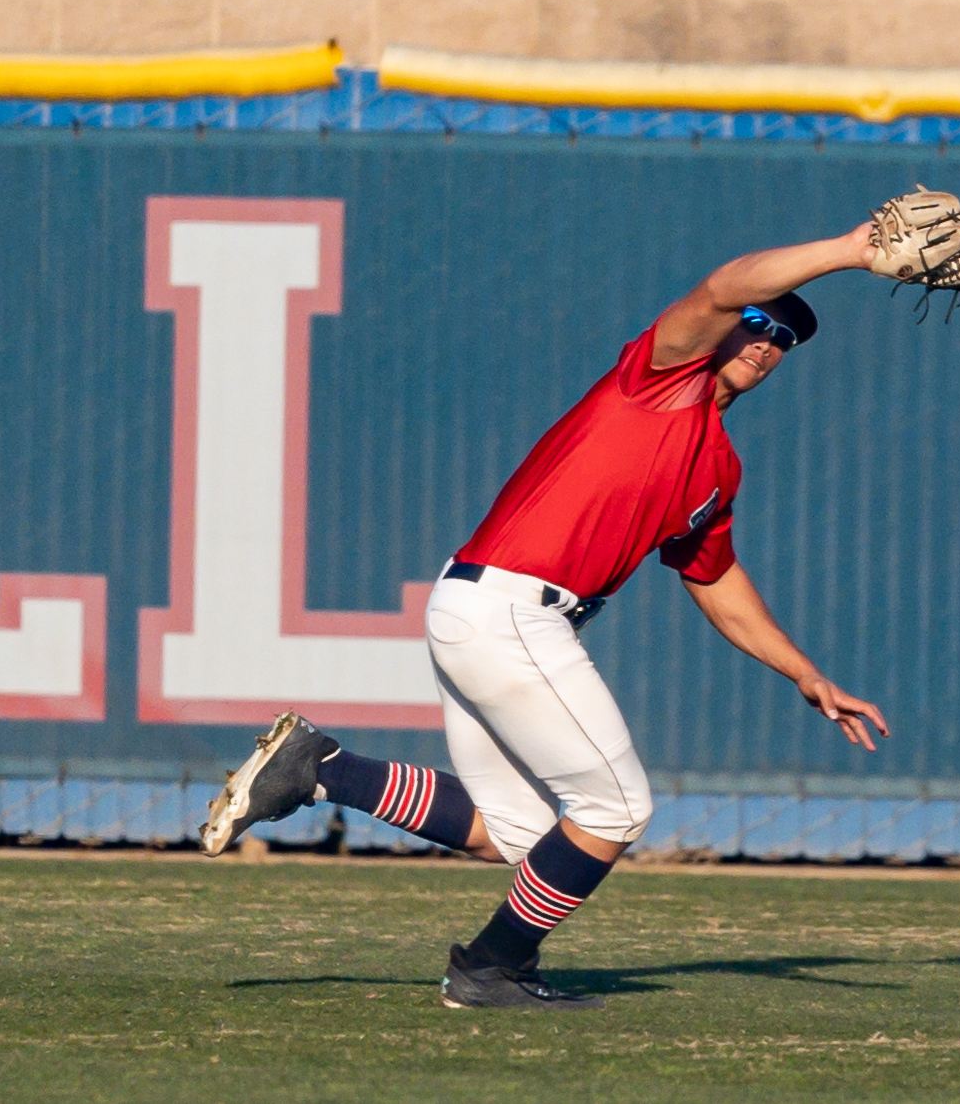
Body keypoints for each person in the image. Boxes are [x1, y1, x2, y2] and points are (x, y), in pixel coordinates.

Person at [201, 219, 892, 1010]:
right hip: (508, 611)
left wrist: (806, 673)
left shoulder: (717, 463)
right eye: (760, 322)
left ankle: (322, 768)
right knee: (619, 808)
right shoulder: (656, 378)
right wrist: (850, 251)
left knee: (524, 836)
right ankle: (488, 968)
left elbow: (717, 578)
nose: (767, 341)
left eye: (786, 340)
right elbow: (719, 288)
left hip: (487, 611)